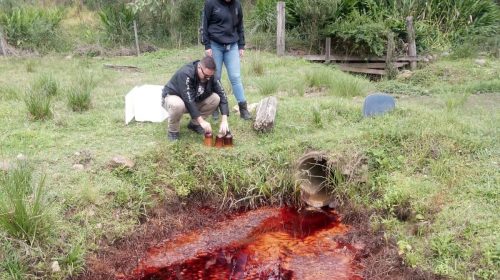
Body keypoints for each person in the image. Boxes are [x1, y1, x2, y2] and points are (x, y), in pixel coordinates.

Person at [201, 0, 251, 120]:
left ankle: (243, 108)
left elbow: (240, 26)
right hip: (215, 46)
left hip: (232, 46)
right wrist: (207, 45)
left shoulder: (237, 5)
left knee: (235, 77)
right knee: (215, 78)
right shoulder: (210, 3)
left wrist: (241, 45)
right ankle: (214, 107)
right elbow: (204, 25)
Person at [162, 56, 230, 141]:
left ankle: (195, 124)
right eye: (205, 76)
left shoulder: (211, 75)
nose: (208, 78)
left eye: (210, 76)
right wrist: (202, 121)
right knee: (177, 104)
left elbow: (222, 95)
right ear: (199, 67)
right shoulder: (186, 73)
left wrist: (224, 120)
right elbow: (188, 100)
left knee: (215, 98)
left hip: (194, 99)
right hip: (173, 98)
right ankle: (173, 131)